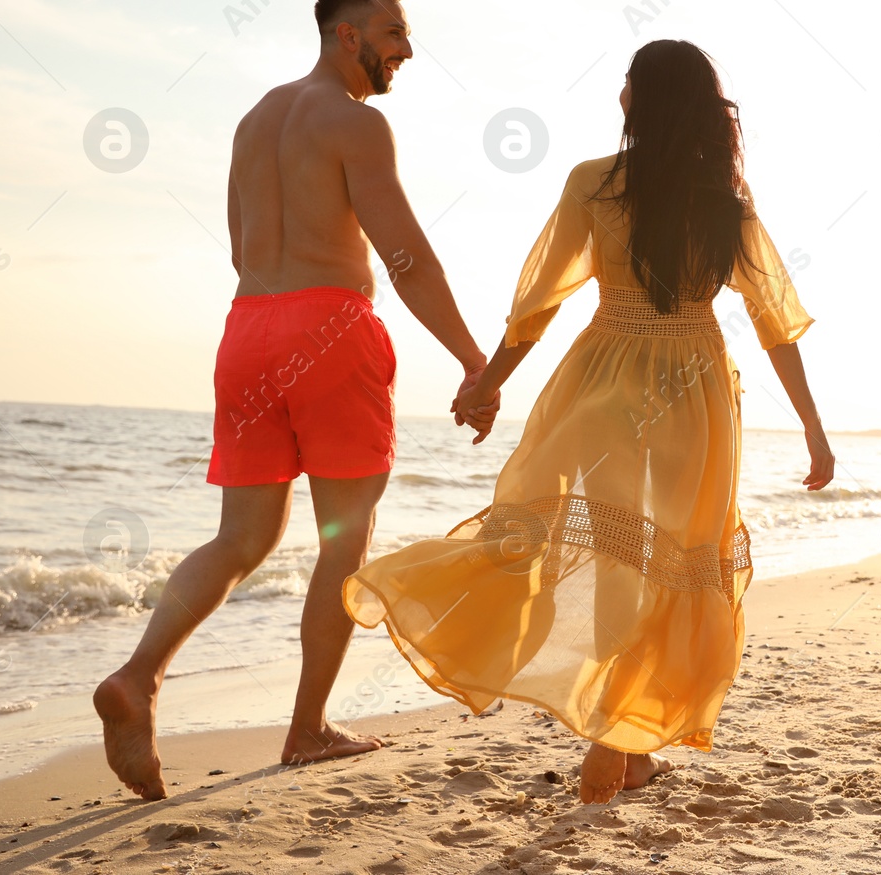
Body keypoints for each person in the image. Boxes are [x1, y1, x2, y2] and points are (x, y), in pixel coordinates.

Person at [342, 39, 834, 805]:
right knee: (677, 558)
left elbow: (539, 300)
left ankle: (618, 730)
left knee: (612, 550)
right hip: (696, 390)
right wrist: (811, 424)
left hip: (605, 375)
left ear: (645, 98)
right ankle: (621, 735)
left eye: (627, 85)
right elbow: (775, 322)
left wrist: (488, 381)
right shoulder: (725, 203)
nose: (618, 97)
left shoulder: (595, 184)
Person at [94, 0, 492, 801]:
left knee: (241, 539)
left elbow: (243, 250)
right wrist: (471, 358)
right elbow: (406, 257)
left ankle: (138, 676)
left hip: (247, 329)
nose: (406, 50)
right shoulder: (356, 123)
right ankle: (307, 728)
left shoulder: (253, 121)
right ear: (348, 36)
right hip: (330, 329)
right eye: (393, 34)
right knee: (344, 537)